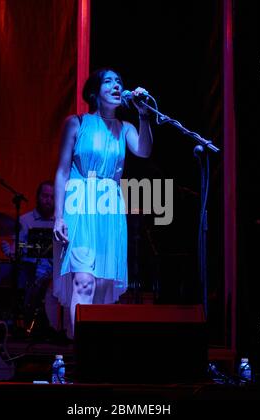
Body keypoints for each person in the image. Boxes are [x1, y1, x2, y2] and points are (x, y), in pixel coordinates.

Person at [53, 68, 153, 336]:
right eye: (109, 81)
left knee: (101, 288)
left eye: (120, 81)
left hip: (109, 206)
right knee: (84, 281)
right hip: (79, 203)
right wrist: (58, 217)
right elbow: (62, 171)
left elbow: (144, 151)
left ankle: (94, 352)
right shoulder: (76, 123)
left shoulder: (126, 128)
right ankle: (80, 351)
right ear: (95, 93)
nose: (117, 85)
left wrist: (143, 114)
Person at [1, 180, 55, 329]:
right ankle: (27, 324)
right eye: (45, 196)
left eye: (52, 197)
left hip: (55, 274)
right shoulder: (25, 221)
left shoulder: (60, 221)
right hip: (31, 274)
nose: (48, 200)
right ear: (38, 197)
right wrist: (11, 251)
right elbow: (17, 247)